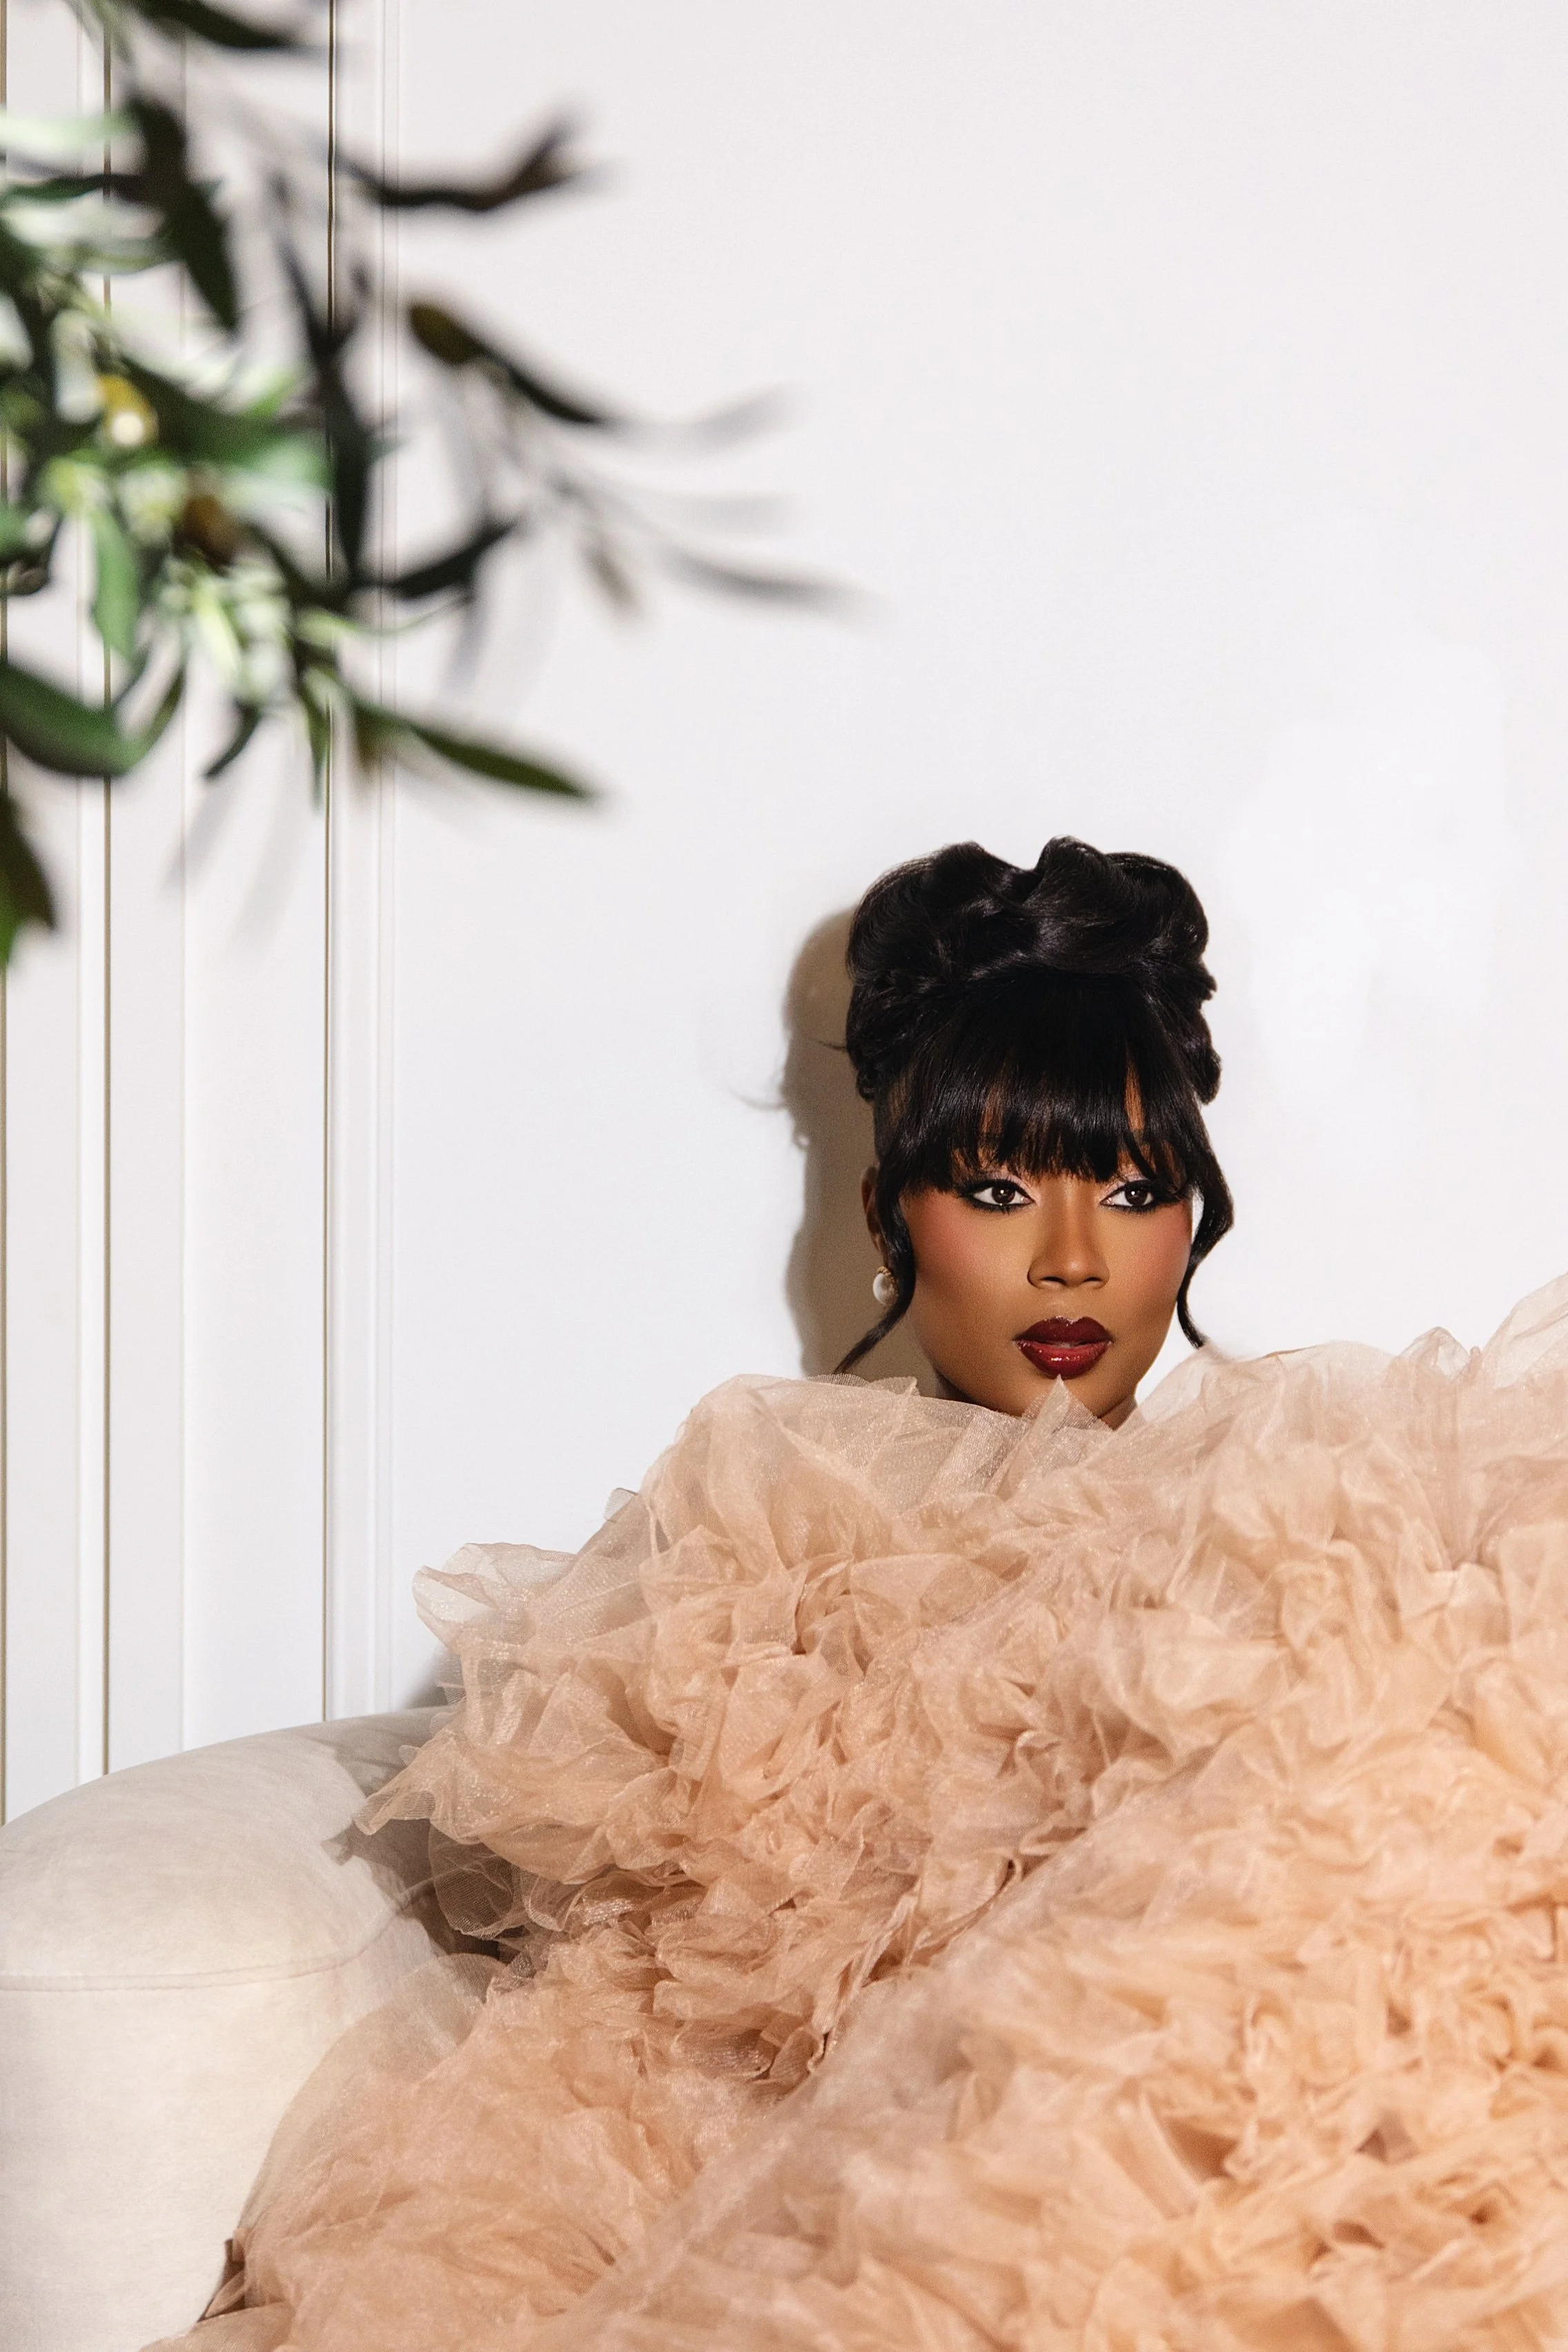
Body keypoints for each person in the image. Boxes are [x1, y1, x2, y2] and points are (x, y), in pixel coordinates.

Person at [156, 839, 1568, 2352]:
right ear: (893, 1211)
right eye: (999, 1186)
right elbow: (703, 2000)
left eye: (1134, 1187)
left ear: (1191, 1217)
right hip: (894, 2156)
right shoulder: (776, 1541)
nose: (1072, 1261)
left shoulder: (1329, 1516)